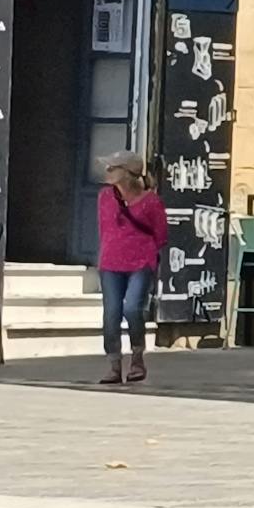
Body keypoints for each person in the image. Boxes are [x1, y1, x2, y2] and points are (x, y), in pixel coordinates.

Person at [87, 148, 174, 385]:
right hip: (111, 262)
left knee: (133, 308)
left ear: (127, 173)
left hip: (140, 261)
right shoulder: (105, 197)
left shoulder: (151, 202)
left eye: (113, 168)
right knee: (111, 312)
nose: (107, 171)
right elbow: (104, 228)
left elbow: (161, 235)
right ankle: (114, 364)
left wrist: (146, 254)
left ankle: (137, 356)